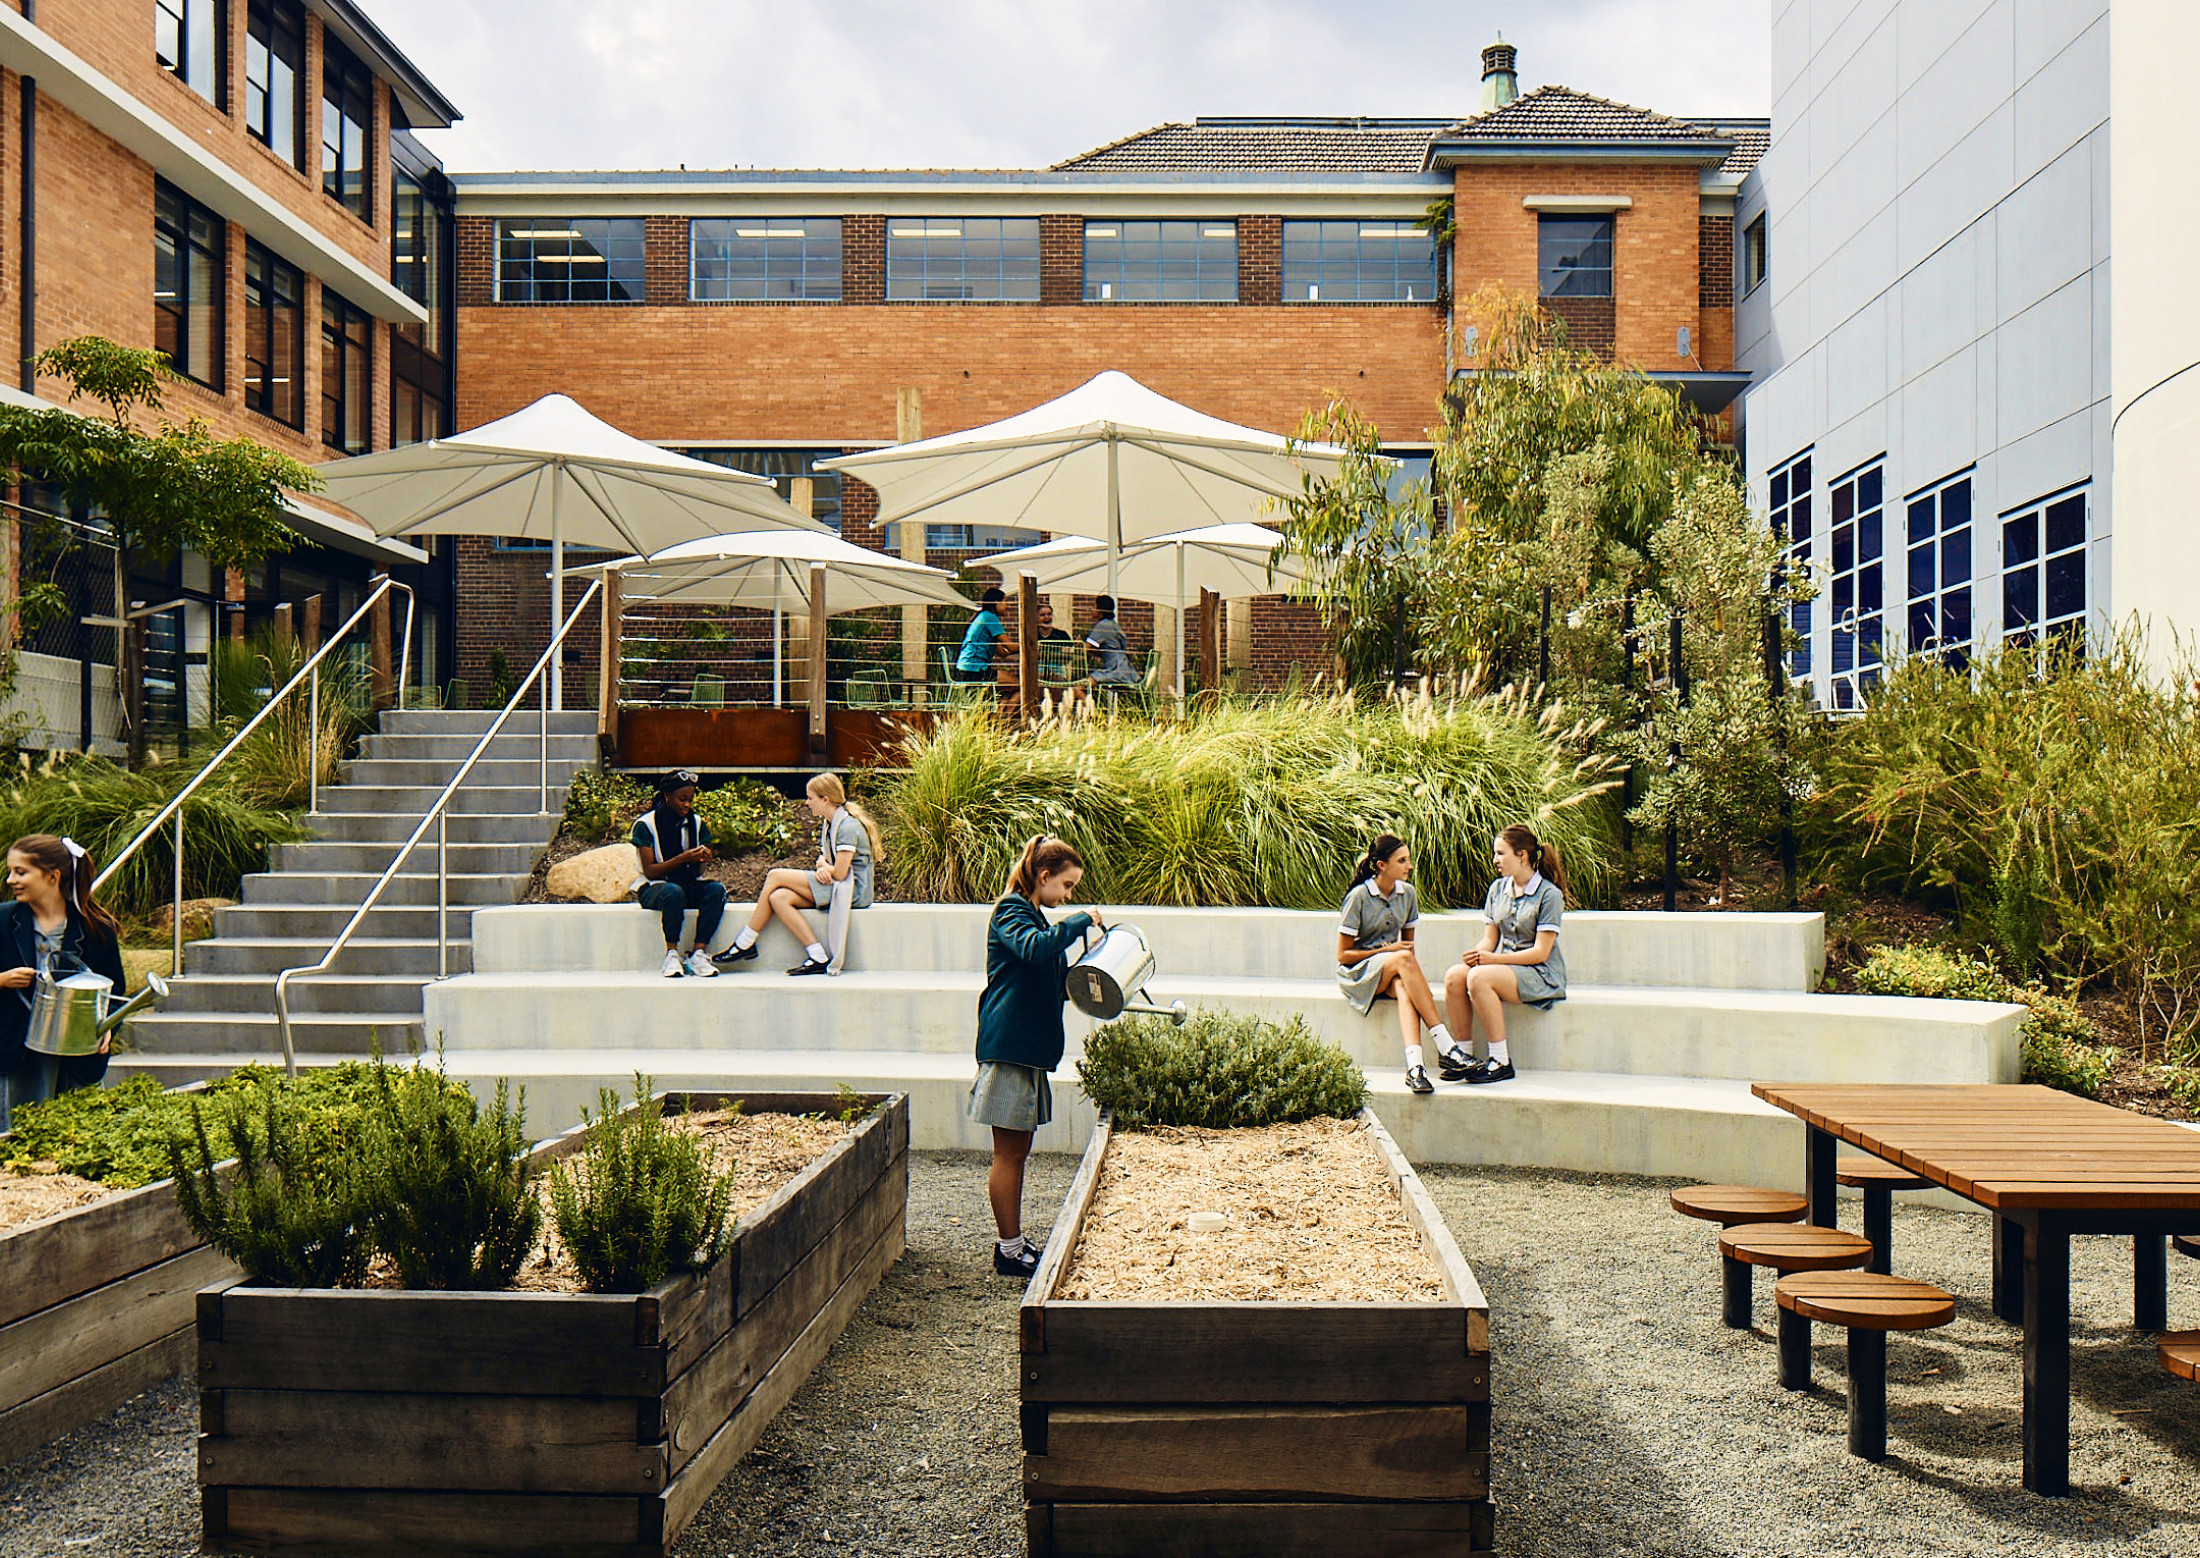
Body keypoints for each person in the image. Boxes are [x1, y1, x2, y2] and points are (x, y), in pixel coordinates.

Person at [970, 835, 1103, 1280]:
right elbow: (1032, 949)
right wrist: (1078, 920)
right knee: (1008, 1153)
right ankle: (1008, 1251)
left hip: (1026, 1051)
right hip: (1011, 1048)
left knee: (1018, 1149)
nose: (1068, 896)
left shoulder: (1035, 919)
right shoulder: (1012, 911)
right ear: (1043, 877)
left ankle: (1014, 1242)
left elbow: (1054, 977)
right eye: (1066, 886)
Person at [0, 834, 127, 1131]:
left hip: (77, 1056)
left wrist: (107, 1029)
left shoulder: (97, 928)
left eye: (20, 872)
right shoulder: (3, 921)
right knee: (19, 1143)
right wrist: (2, 980)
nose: (10, 880)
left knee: (79, 1141)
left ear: (52, 876)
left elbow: (115, 990)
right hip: (18, 1055)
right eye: (10, 871)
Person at [1337, 834, 1468, 1096]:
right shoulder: (1359, 897)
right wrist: (1386, 951)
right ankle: (1446, 1047)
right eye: (1402, 860)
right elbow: (1343, 956)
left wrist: (1409, 974)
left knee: (1405, 988)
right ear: (1381, 865)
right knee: (1403, 960)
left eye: (1408, 860)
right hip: (1358, 974)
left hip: (1393, 970)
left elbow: (1408, 948)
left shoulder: (1407, 894)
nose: (1409, 866)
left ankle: (1415, 1067)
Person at [716, 772, 883, 976]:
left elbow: (839, 873)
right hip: (840, 885)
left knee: (775, 876)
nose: (807, 803)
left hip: (853, 892)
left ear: (825, 799)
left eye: (810, 798)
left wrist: (825, 867)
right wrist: (823, 865)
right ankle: (817, 956)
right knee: (779, 897)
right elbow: (827, 862)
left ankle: (745, 942)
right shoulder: (830, 823)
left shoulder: (848, 826)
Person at [1442, 824, 1569, 1085]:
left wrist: (1491, 961)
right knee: (1456, 976)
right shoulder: (1498, 889)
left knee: (1478, 979)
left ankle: (1501, 1060)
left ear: (1521, 855)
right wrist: (1476, 955)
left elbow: (1540, 953)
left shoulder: (1549, 895)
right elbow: (1490, 940)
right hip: (1506, 968)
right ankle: (1464, 1056)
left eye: (1500, 853)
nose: (1495, 860)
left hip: (1540, 974)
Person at [633, 769, 724, 979]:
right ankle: (671, 953)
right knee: (673, 892)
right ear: (667, 796)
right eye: (682, 799)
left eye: (691, 800)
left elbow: (698, 873)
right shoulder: (646, 824)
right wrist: (683, 858)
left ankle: (698, 952)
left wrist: (701, 860)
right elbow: (650, 871)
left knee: (716, 890)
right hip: (654, 887)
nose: (687, 805)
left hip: (687, 884)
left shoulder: (696, 823)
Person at [953, 587, 1008, 682]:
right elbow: (1011, 646)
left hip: (966, 668)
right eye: (1005, 602)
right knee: (1018, 684)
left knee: (1007, 686)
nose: (1006, 606)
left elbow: (1002, 653)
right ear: (996, 602)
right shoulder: (990, 617)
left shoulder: (983, 616)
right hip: (974, 670)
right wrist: (1031, 648)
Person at [1084, 596, 1140, 688]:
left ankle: (1089, 702)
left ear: (1100, 610)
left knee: (1080, 687)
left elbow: (1086, 647)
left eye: (1094, 606)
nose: (1092, 610)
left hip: (1115, 671)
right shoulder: (1113, 624)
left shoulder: (1103, 625)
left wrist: (1076, 649)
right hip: (1125, 669)